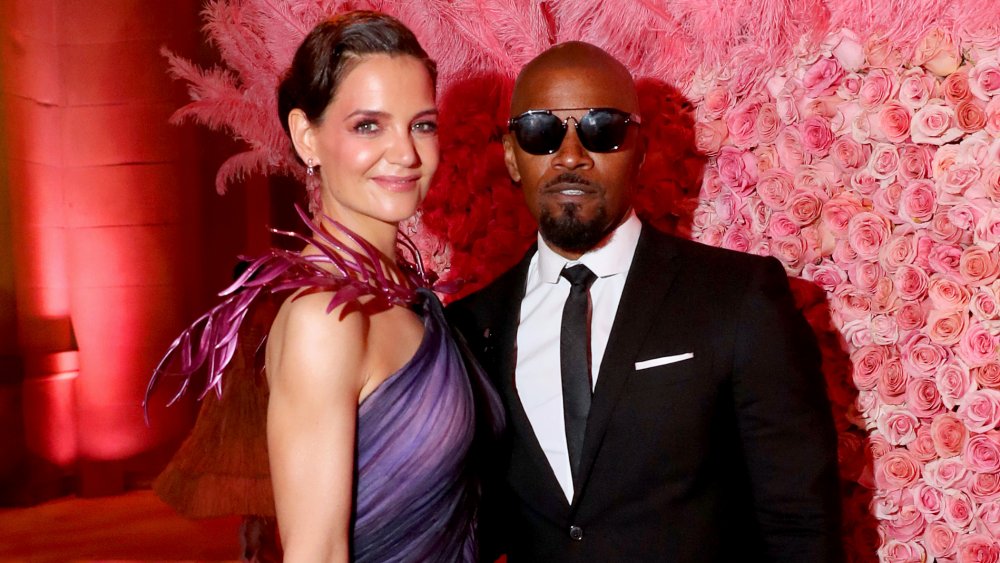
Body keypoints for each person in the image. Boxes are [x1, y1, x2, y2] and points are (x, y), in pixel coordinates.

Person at [447, 41, 843, 562]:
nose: (570, 156)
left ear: (640, 148)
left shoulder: (739, 298)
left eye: (601, 129)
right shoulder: (471, 327)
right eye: (541, 131)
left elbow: (800, 525)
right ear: (511, 156)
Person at [147, 11, 503, 563]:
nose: (406, 153)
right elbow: (316, 553)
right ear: (306, 137)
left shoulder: (401, 293)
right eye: (368, 125)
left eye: (423, 124)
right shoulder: (326, 319)